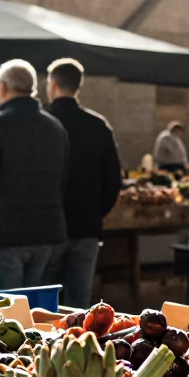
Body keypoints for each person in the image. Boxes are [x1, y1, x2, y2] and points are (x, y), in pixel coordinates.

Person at [0, 59, 69, 292]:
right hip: (47, 231)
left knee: (7, 307)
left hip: (6, 232)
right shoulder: (55, 127)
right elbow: (63, 180)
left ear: (3, 88)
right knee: (39, 307)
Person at [45, 58, 123, 308]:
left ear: (53, 84)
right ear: (78, 86)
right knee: (78, 306)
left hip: (48, 227)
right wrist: (98, 212)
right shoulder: (98, 125)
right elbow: (114, 180)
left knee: (46, 307)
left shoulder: (43, 123)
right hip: (87, 226)